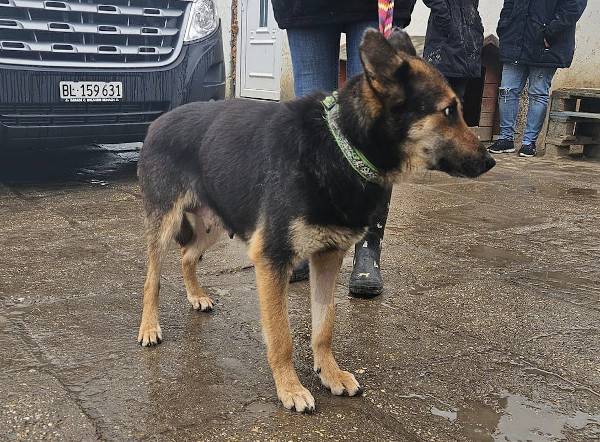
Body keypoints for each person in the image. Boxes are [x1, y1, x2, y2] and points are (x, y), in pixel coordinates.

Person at [271, 0, 418, 297]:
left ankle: (367, 247)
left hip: (373, 5)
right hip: (305, 7)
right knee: (312, 127)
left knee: (375, 126)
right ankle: (311, 237)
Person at [488, 0, 587, 158]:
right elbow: (509, 4)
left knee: (537, 92)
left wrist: (551, 32)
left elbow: (574, 7)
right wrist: (504, 26)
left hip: (546, 44)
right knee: (507, 90)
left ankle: (529, 142)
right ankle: (505, 139)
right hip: (515, 40)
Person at [422, 0, 483, 101]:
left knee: (457, 98)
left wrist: (476, 23)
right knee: (437, 97)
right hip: (445, 40)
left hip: (467, 37)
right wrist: (444, 18)